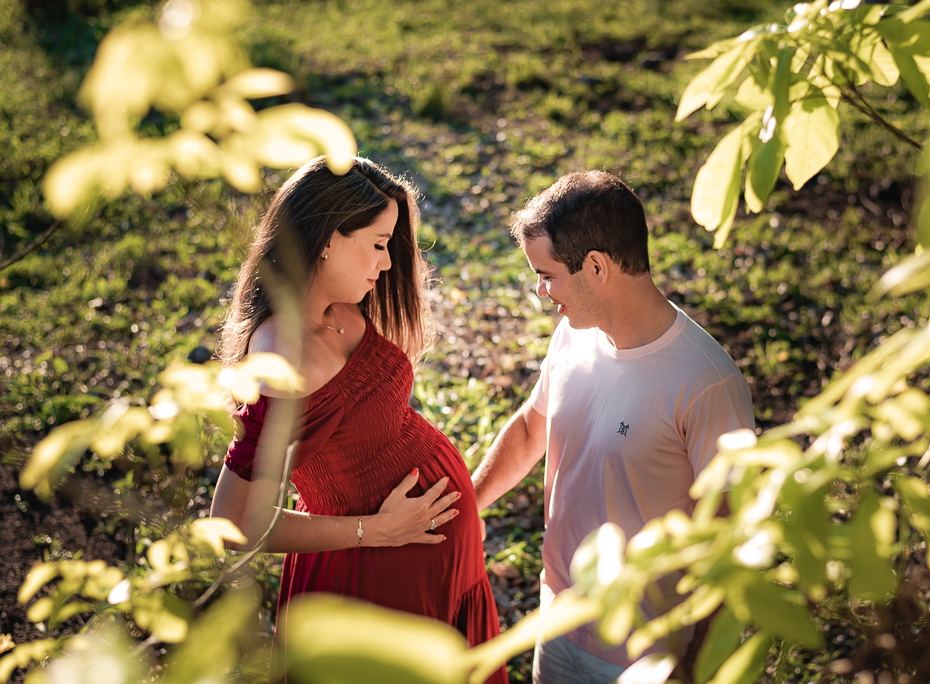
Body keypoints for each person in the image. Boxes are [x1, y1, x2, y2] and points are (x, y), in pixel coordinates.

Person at [211, 156, 507, 684]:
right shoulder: (283, 358)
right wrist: (376, 531)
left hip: (433, 559)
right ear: (326, 238)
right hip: (377, 579)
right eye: (377, 244)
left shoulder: (343, 308)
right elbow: (235, 522)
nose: (388, 263)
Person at [471, 171, 755, 683]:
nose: (541, 291)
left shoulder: (707, 383)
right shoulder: (573, 336)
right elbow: (533, 428)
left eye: (548, 274)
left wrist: (695, 665)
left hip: (648, 655)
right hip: (559, 617)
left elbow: (730, 537)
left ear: (597, 266)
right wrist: (466, 505)